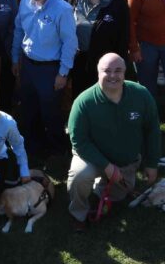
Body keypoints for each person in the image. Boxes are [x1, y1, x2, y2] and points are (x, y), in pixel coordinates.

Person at [67, 53, 159, 231]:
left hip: (125, 161)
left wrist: (152, 163)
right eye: (106, 71)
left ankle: (103, 187)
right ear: (98, 73)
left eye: (118, 70)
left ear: (125, 73)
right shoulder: (83, 102)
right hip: (91, 157)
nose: (113, 75)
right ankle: (79, 214)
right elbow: (78, 141)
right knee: (79, 177)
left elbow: (153, 130)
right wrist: (107, 167)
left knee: (118, 196)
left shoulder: (141, 95)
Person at [13, 0, 78, 157]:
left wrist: (63, 73)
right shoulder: (25, 2)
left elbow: (70, 43)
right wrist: (16, 58)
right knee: (29, 108)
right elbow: (18, 30)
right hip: (28, 65)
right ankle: (33, 147)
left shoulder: (63, 9)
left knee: (51, 112)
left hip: (50, 68)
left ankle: (58, 150)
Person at [69, 0, 130, 102]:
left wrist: (120, 65)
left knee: (104, 98)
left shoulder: (118, 3)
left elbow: (124, 37)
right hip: (78, 61)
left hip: (106, 63)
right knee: (80, 99)